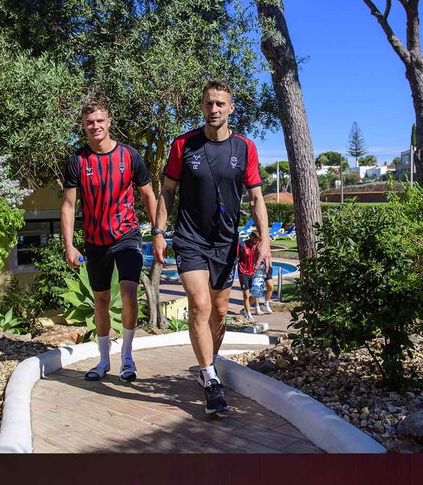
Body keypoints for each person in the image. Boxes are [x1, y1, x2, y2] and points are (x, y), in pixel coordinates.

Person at [153, 80, 272, 414]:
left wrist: (265, 242)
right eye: (209, 104)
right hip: (190, 240)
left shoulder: (245, 148)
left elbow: (256, 197)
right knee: (201, 305)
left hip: (225, 242)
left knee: (220, 312)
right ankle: (210, 378)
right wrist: (159, 231)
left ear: (231, 108)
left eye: (220, 104)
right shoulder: (183, 145)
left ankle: (209, 363)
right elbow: (167, 191)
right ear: (202, 107)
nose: (214, 109)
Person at [62, 95, 157, 383]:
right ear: (83, 125)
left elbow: (148, 195)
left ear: (109, 122)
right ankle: (103, 360)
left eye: (100, 120)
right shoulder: (77, 161)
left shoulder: (129, 156)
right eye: (89, 122)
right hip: (95, 240)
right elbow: (68, 205)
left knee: (129, 292)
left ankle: (127, 357)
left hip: (127, 235)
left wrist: (158, 232)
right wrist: (69, 244)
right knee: (100, 299)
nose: (95, 126)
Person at [236, 231, 261, 320]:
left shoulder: (256, 246)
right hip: (243, 272)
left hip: (253, 272)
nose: (257, 241)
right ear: (251, 237)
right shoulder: (242, 245)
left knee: (257, 293)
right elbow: (236, 257)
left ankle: (244, 310)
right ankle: (248, 314)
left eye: (258, 240)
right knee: (246, 295)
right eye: (256, 239)